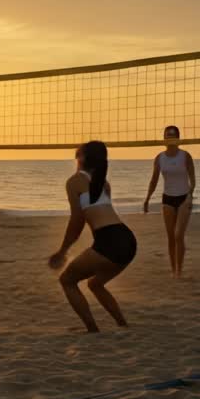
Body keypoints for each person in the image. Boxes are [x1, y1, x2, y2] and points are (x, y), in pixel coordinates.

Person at [48, 141, 137, 332]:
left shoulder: (74, 182)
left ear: (81, 158)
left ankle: (92, 329)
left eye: (76, 154)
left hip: (109, 241)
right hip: (128, 240)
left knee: (67, 280)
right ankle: (122, 324)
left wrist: (63, 251)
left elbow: (77, 221)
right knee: (95, 284)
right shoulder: (104, 183)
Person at [142, 125, 195, 278]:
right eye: (167, 136)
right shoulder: (160, 158)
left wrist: (190, 195)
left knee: (179, 235)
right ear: (164, 138)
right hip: (167, 199)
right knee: (171, 236)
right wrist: (147, 199)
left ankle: (179, 269)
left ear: (178, 138)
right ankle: (174, 270)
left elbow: (193, 179)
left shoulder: (185, 156)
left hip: (184, 197)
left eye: (173, 135)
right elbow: (154, 180)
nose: (170, 138)